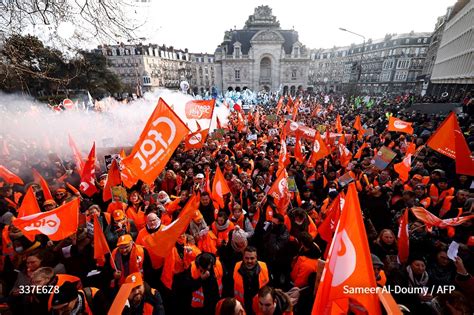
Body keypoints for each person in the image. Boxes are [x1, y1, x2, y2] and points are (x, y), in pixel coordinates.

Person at [233, 247, 269, 315]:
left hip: (259, 306)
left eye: (252, 258)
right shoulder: (236, 266)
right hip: (242, 306)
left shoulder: (264, 267)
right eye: (246, 258)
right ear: (243, 257)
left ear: (256, 258)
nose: (249, 261)